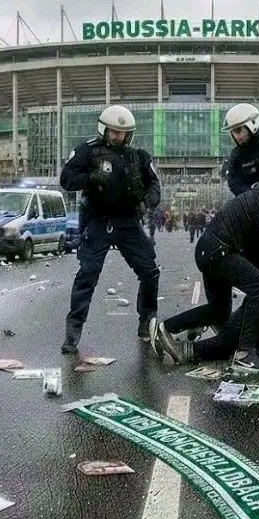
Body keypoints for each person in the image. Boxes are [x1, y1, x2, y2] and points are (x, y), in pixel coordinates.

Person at [150, 167, 259, 372]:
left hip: (211, 250)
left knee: (219, 310)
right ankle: (244, 354)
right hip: (219, 251)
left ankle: (166, 328)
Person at [59, 105, 161, 355]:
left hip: (128, 221)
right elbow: (66, 179)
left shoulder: (138, 157)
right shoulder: (88, 151)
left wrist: (150, 199)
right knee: (87, 274)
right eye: (114, 132)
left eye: (122, 133)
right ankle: (73, 332)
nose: (118, 136)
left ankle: (147, 321)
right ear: (104, 130)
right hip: (99, 220)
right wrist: (91, 177)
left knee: (149, 271)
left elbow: (153, 183)